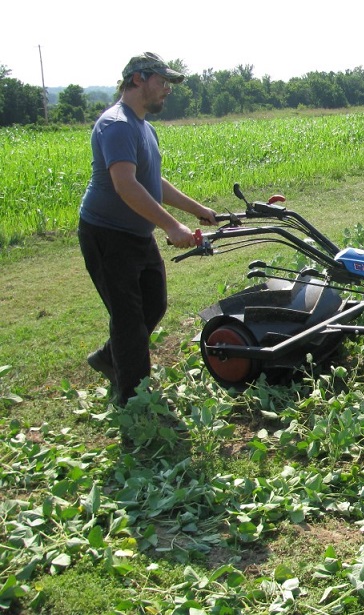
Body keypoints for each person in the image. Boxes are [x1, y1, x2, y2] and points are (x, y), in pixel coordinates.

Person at [78, 52, 217, 406]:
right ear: (138, 79)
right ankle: (134, 399)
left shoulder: (143, 126)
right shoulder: (117, 124)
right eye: (162, 81)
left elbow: (152, 181)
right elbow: (125, 185)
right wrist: (171, 225)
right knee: (128, 320)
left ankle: (109, 358)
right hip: (107, 234)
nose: (167, 90)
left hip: (137, 235)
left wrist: (197, 209)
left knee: (153, 304)